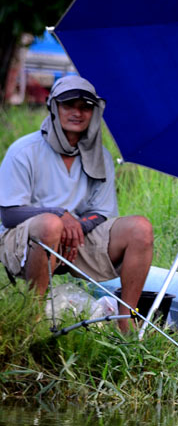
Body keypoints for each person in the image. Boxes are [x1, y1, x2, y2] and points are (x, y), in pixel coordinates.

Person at [0, 75, 154, 332]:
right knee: (51, 224)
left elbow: (102, 213)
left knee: (140, 228)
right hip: (22, 239)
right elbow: (8, 214)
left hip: (76, 240)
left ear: (94, 112)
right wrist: (60, 215)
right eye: (68, 105)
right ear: (53, 107)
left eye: (85, 107)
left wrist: (75, 227)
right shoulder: (24, 150)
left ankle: (124, 320)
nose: (77, 113)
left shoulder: (100, 157)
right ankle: (33, 321)